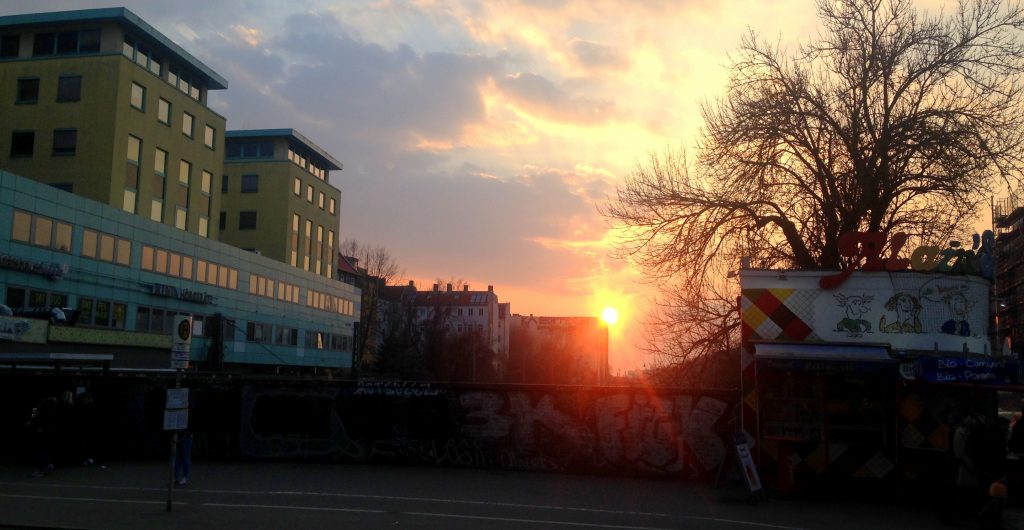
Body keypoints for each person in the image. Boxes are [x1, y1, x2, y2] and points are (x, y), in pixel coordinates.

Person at [26, 397, 57, 477]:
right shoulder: (53, 409)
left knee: (40, 450)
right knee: (44, 450)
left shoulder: (38, 409)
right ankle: (47, 464)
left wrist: (32, 424)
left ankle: (42, 469)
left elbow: (33, 418)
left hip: (41, 431)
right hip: (48, 432)